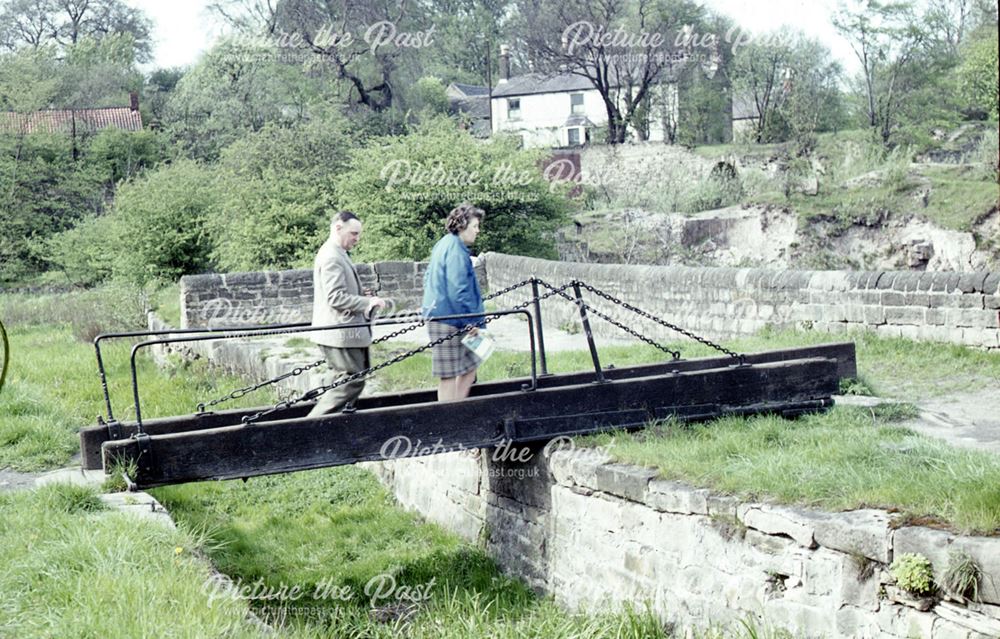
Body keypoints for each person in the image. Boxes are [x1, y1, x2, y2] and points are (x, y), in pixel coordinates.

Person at [308, 211, 387, 417]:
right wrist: (367, 302)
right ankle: (311, 427)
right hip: (340, 333)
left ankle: (333, 428)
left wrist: (362, 295)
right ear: (338, 228)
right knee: (351, 382)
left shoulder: (337, 253)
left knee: (350, 380)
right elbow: (335, 298)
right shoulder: (331, 257)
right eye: (353, 233)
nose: (356, 239)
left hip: (345, 332)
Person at [422, 202, 486, 402]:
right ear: (462, 225)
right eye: (475, 226)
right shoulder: (456, 250)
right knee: (448, 375)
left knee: (472, 362)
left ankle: (457, 410)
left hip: (445, 316)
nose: (478, 230)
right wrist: (471, 323)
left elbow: (428, 278)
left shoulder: (445, 243)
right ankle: (450, 420)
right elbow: (459, 290)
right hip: (449, 320)